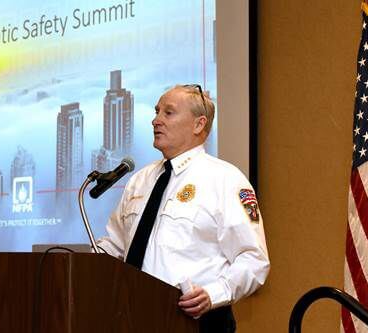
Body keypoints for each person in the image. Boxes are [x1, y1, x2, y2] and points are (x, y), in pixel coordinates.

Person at [97, 84, 270, 332]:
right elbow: (115, 246)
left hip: (196, 321)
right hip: (132, 317)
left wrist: (213, 294)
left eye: (168, 113)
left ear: (199, 125)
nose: (155, 120)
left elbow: (254, 259)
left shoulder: (225, 179)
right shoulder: (140, 180)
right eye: (157, 112)